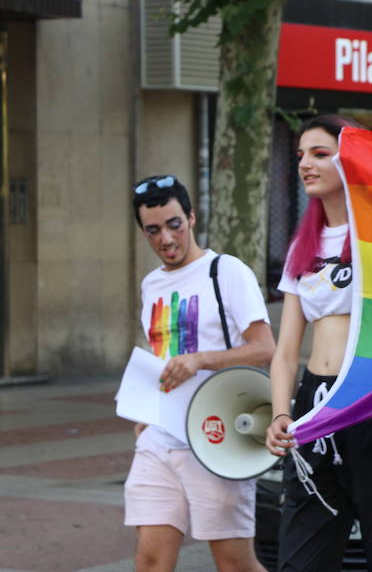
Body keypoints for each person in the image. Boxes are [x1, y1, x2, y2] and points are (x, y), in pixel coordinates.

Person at [264, 115, 372, 572]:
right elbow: (287, 350)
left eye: (319, 154)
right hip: (313, 405)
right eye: (300, 156)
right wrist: (280, 414)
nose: (305, 165)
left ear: (349, 160)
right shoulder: (302, 246)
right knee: (302, 557)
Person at [125, 175, 276, 572]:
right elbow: (165, 358)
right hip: (160, 437)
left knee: (234, 564)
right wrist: (148, 410)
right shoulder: (151, 284)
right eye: (153, 230)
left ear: (191, 218)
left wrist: (201, 359)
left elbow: (265, 349)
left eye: (174, 224)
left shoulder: (226, 272)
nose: (166, 239)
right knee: (151, 561)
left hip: (217, 435)